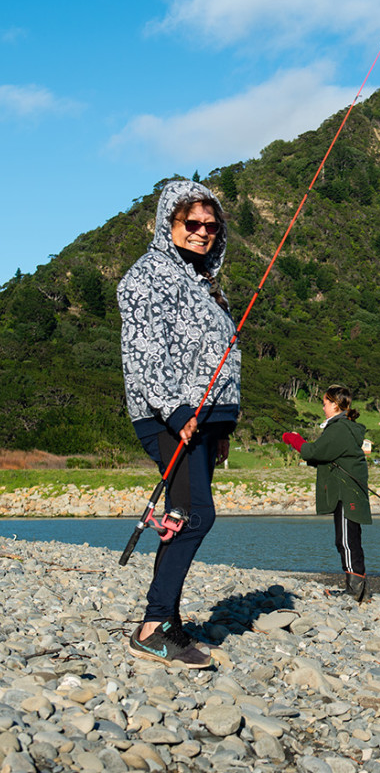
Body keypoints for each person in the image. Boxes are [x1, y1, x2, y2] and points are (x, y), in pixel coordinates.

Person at [117, 179, 240, 669]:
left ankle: (164, 620)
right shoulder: (145, 277)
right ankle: (153, 627)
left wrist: (220, 427)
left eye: (211, 225)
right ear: (168, 223)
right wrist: (178, 411)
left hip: (205, 422)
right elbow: (146, 352)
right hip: (169, 418)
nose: (203, 232)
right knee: (195, 516)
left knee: (182, 514)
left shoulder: (204, 283)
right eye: (192, 223)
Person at [283, 385, 372, 602]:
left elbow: (312, 452)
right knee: (350, 539)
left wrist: (293, 439)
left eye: (324, 403)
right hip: (350, 490)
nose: (322, 408)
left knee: (346, 540)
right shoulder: (344, 427)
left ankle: (354, 591)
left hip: (345, 492)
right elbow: (323, 456)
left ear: (334, 404)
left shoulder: (339, 428)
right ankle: (361, 590)